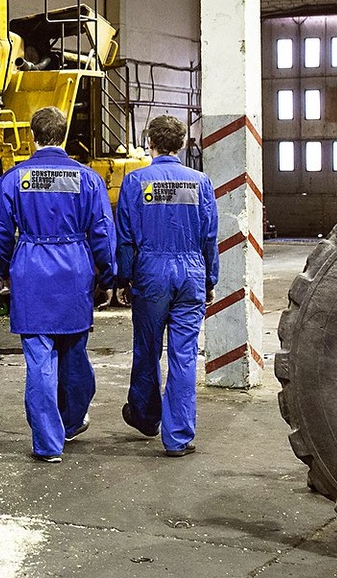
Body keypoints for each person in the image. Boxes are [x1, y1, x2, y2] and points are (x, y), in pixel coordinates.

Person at [0, 106, 115, 463]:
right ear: (65, 134)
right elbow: (102, 231)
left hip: (30, 267)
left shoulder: (13, 179)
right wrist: (107, 275)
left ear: (32, 136)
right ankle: (71, 422)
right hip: (75, 269)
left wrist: (5, 269)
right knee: (75, 353)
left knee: (40, 359)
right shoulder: (88, 179)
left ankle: (47, 443)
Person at [114, 114, 219, 458]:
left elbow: (126, 237)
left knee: (147, 349)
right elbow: (209, 236)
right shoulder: (200, 182)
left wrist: (126, 277)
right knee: (184, 356)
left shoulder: (135, 182)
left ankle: (145, 417)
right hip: (191, 271)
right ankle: (178, 437)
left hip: (151, 272)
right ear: (183, 145)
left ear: (150, 144)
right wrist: (210, 279)